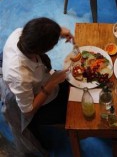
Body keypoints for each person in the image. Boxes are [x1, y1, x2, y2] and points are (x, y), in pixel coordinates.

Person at [2, 17, 74, 152]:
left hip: (42, 81)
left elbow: (38, 29)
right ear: (41, 50)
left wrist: (59, 30)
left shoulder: (20, 34)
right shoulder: (20, 75)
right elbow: (28, 111)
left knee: (73, 84)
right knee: (74, 111)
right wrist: (51, 83)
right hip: (36, 104)